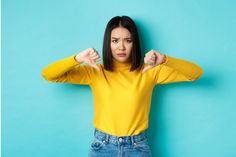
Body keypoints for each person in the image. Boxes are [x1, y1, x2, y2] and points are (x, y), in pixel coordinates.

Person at [41, 16, 204, 157]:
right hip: (102, 147)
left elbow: (195, 73)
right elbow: (49, 74)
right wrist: (77, 58)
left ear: (135, 43)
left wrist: (165, 59)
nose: (121, 47)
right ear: (108, 43)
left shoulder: (149, 71)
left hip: (137, 147)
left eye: (128, 40)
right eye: (115, 41)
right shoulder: (96, 72)